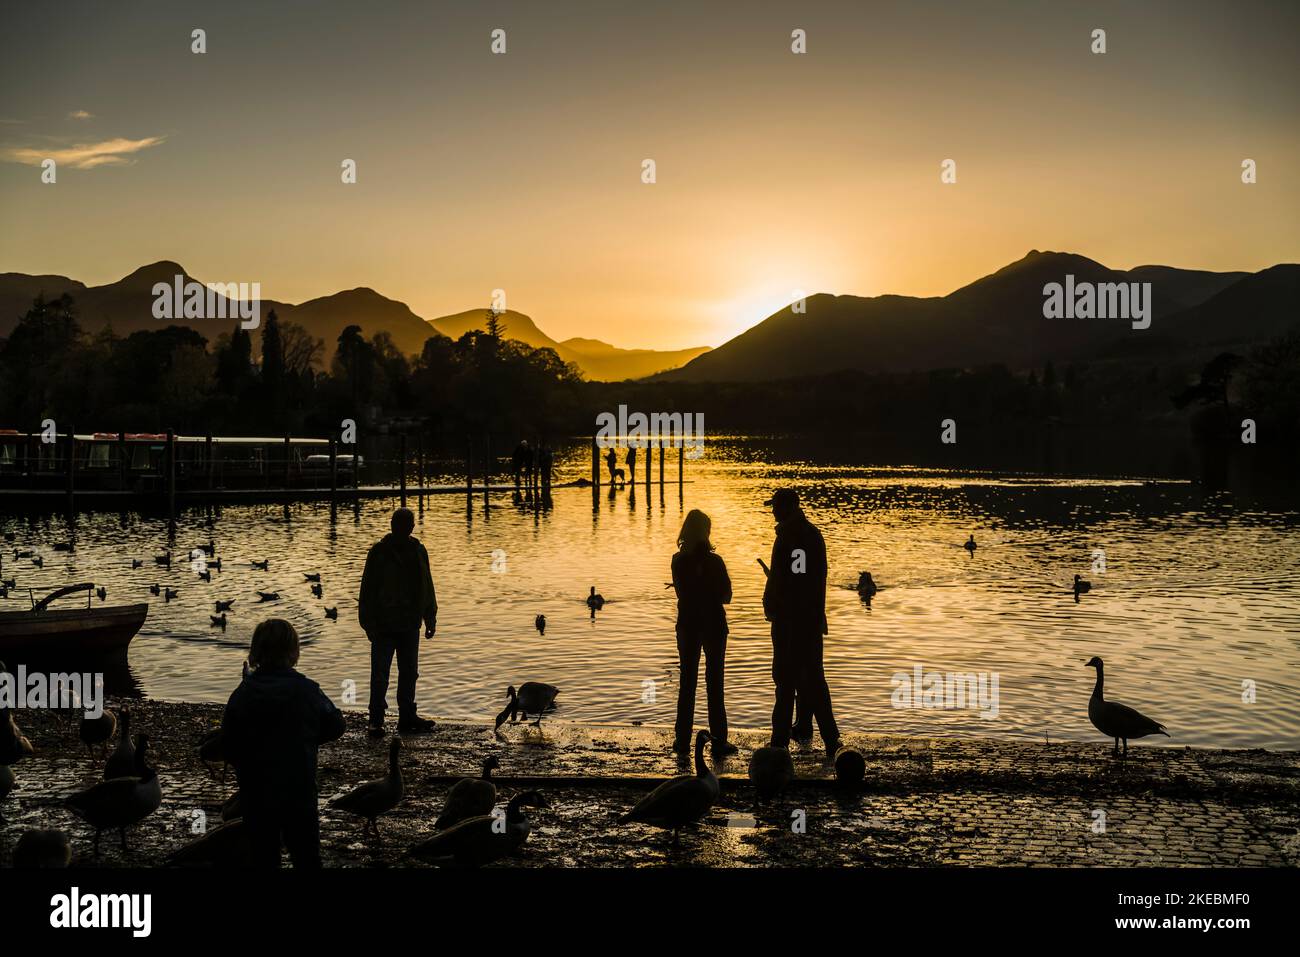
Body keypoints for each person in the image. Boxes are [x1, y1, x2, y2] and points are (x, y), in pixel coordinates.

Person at [221, 619, 345, 868]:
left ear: (256, 652)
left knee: (263, 856)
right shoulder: (308, 691)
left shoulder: (243, 693)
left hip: (256, 792)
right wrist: (307, 739)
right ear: (293, 652)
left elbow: (229, 740)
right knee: (306, 856)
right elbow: (336, 725)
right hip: (298, 790)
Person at [762, 488, 840, 755]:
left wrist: (777, 600)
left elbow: (797, 579)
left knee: (786, 680)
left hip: (792, 621)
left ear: (786, 508)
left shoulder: (793, 538)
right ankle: (828, 737)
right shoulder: (809, 533)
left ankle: (780, 742)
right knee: (812, 678)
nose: (772, 511)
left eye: (775, 506)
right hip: (807, 619)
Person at [358, 507, 438, 737]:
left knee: (410, 672)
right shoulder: (379, 553)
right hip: (384, 625)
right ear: (392, 525)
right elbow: (367, 590)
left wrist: (430, 616)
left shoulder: (419, 551)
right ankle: (376, 720)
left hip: (411, 623)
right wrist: (368, 624)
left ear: (412, 527)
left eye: (406, 524)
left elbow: (427, 585)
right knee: (380, 674)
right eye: (398, 523)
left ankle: (407, 716)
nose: (402, 528)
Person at [670, 510, 738, 756]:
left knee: (687, 683)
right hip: (714, 625)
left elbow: (681, 593)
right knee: (715, 683)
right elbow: (727, 596)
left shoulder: (678, 561)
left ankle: (682, 740)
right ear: (705, 533)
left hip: (688, 624)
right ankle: (719, 740)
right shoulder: (715, 562)